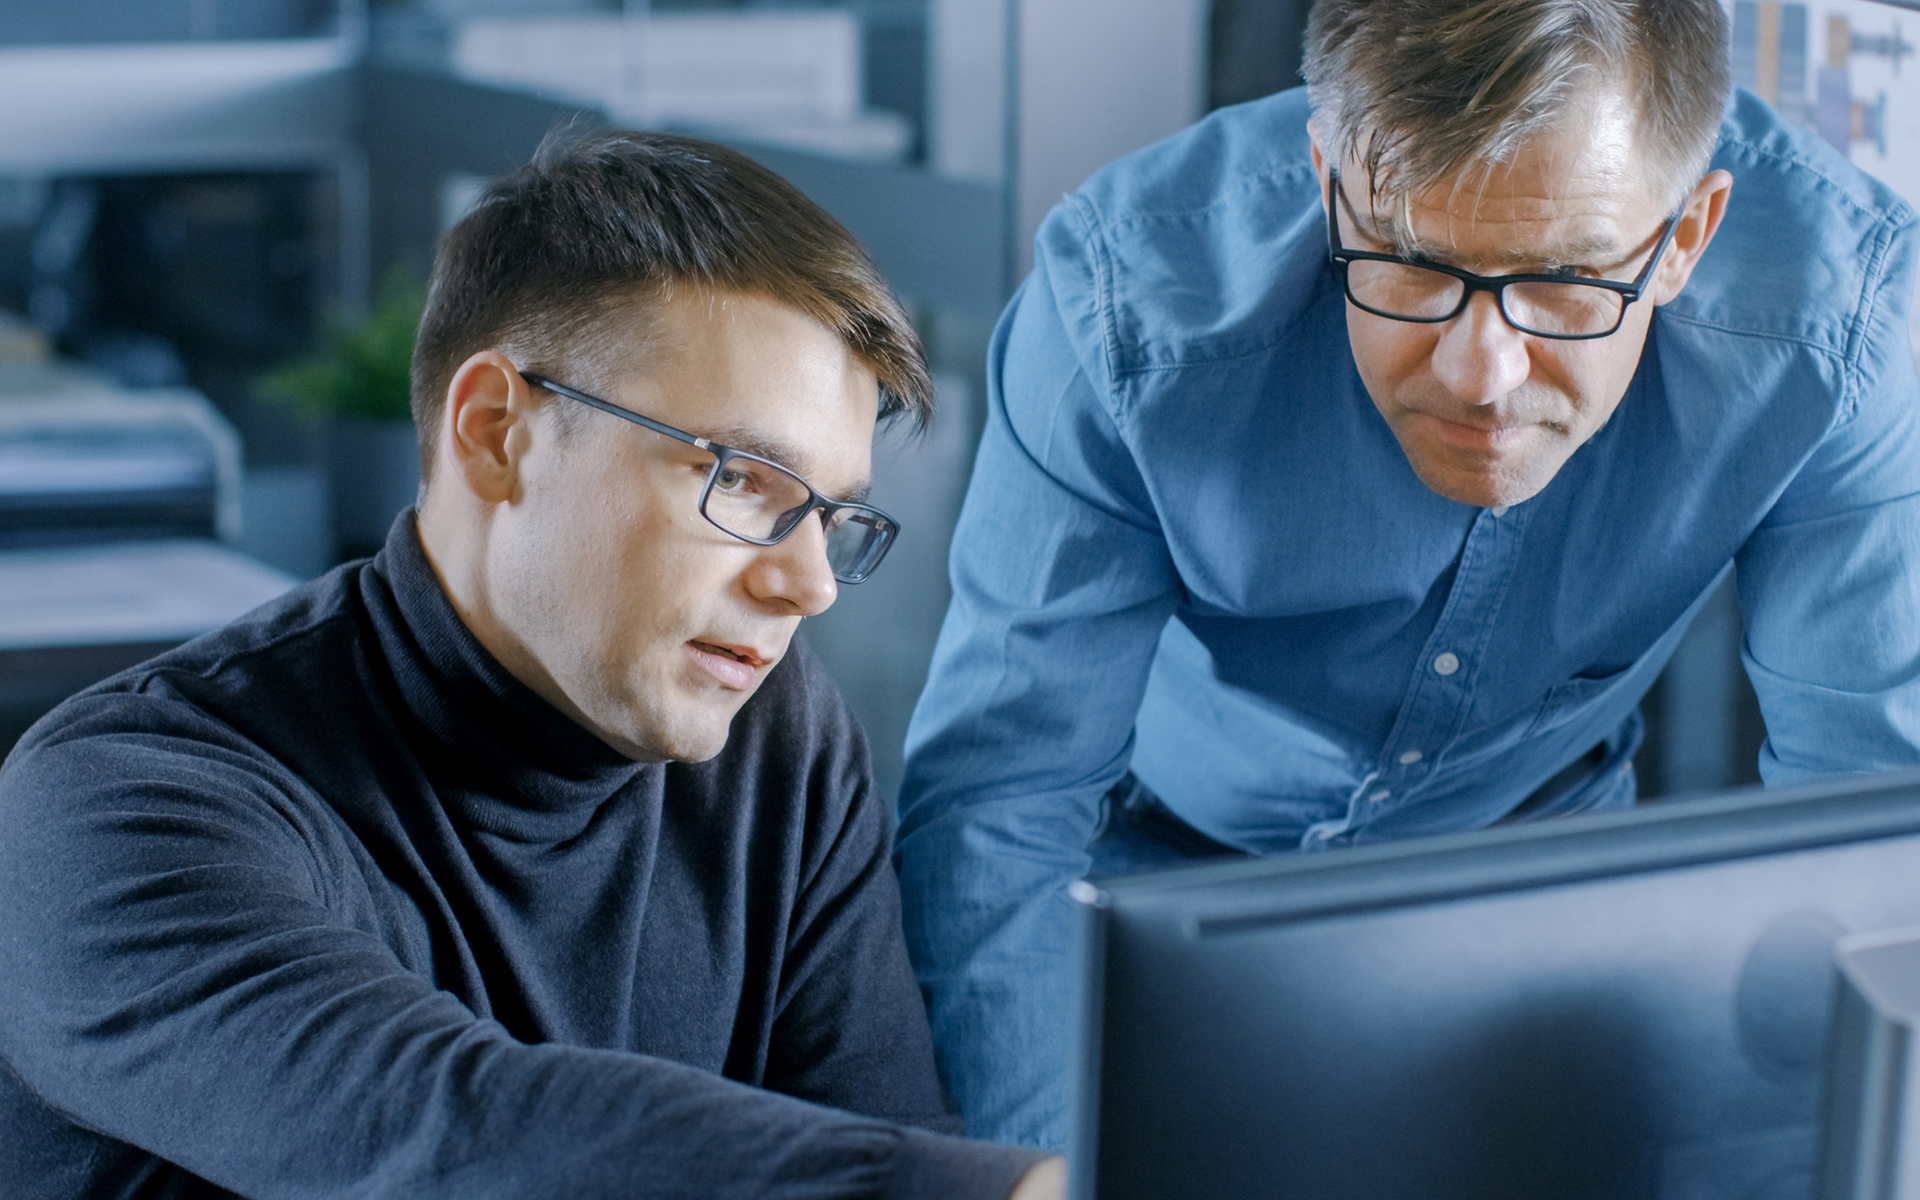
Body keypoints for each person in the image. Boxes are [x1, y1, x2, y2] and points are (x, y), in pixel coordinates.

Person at [896, 0, 1920, 1151]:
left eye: (1566, 284)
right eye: (1415, 266)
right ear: (1332, 183)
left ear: (1686, 236)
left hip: (1542, 872)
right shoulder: (1125, 305)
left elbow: (1865, 839)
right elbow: (1002, 806)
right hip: (1148, 878)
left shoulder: (1847, 321)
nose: (1482, 376)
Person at [0, 130, 1063, 1200]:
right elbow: (445, 1131)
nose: (809, 585)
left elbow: (879, 1125)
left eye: (832, 518)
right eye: (744, 480)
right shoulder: (110, 806)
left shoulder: (775, 738)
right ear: (495, 430)